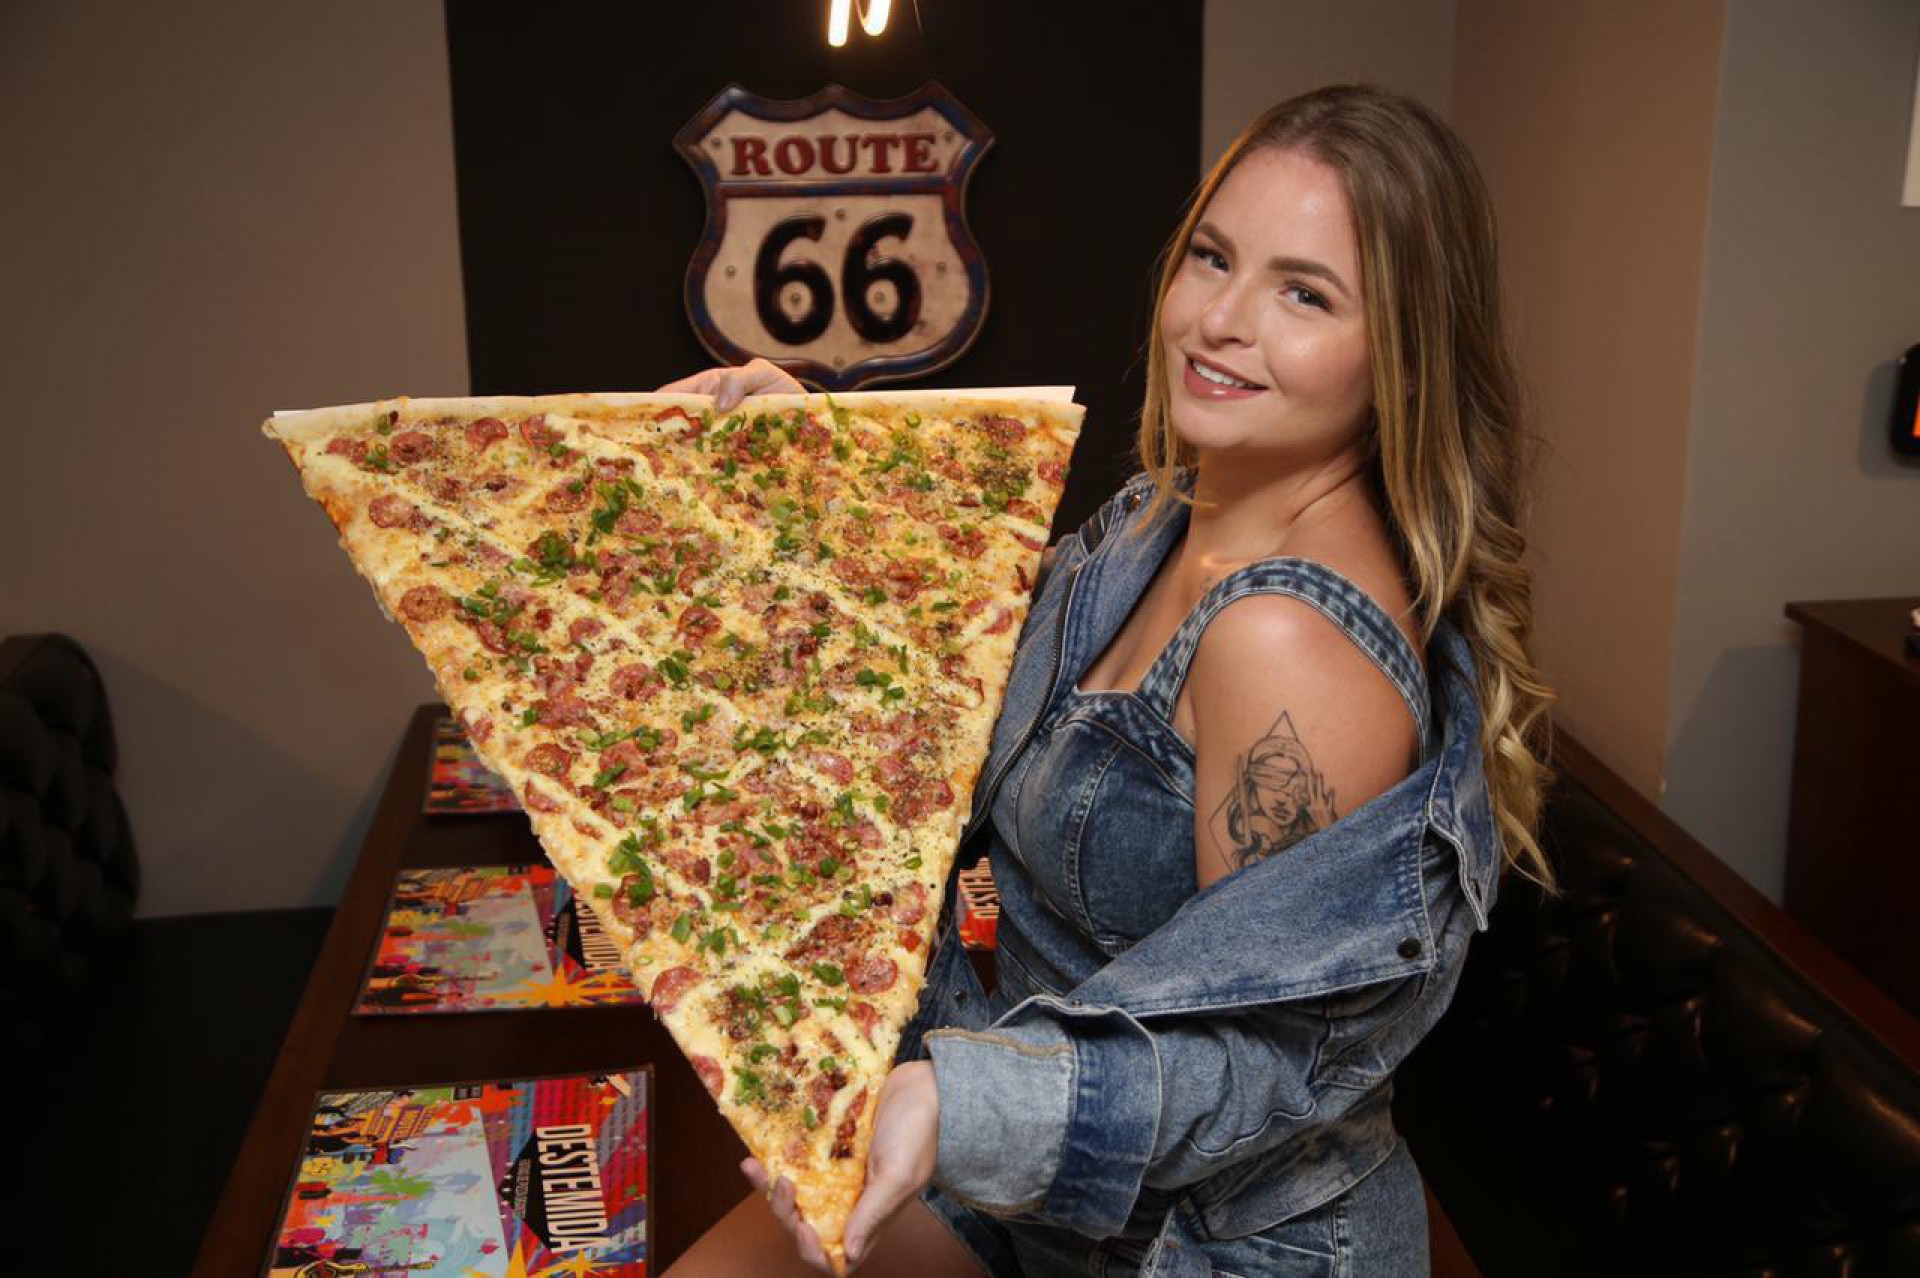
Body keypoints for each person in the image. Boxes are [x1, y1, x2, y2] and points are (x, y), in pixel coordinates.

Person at [660, 83, 1554, 1277]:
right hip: (1018, 1159)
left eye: (1304, 294)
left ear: (1401, 351)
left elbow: (1263, 1057)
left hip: (1211, 1243)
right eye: (1213, 258)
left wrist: (960, 1108)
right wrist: (817, 463)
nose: (1220, 321)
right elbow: (971, 657)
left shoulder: (1287, 637)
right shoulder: (1160, 517)